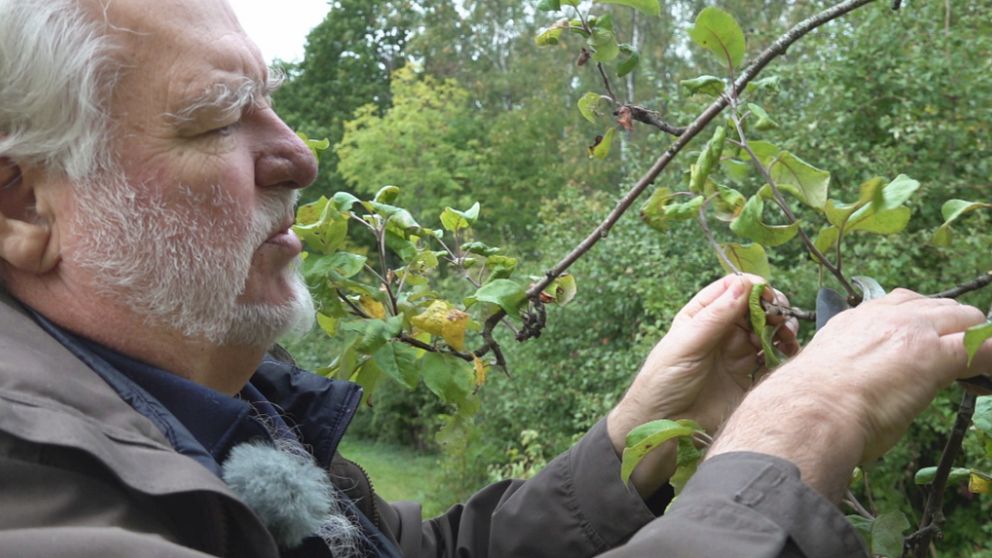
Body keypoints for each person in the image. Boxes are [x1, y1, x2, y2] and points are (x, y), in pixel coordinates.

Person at [0, 1, 988, 557]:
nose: (298, 154)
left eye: (273, 107)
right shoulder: (45, 514)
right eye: (218, 121)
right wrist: (802, 421)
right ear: (23, 205)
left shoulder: (220, 427)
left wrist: (634, 439)